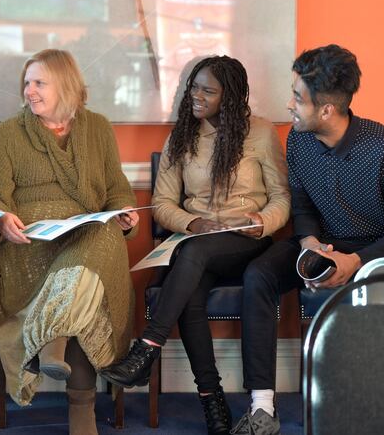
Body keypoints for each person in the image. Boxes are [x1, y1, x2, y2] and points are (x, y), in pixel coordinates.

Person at [232, 44, 384, 434]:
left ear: (326, 110)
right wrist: (309, 243)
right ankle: (263, 408)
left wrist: (356, 261)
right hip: (322, 244)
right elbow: (302, 206)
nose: (289, 105)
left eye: (297, 98)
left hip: (377, 249)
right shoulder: (299, 141)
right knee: (259, 274)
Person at [99, 56, 290, 435]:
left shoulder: (261, 133)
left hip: (245, 243)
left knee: (192, 253)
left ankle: (147, 348)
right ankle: (212, 402)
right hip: (197, 242)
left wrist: (261, 222)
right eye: (193, 87)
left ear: (231, 96)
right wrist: (193, 222)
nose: (196, 96)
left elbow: (281, 196)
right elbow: (163, 203)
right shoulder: (182, 136)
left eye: (207, 90)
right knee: (191, 282)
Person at [0, 49, 139, 435]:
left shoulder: (97, 127)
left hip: (86, 236)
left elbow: (116, 190)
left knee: (102, 236)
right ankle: (80, 408)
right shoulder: (11, 133)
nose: (29, 91)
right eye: (26, 83)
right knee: (87, 284)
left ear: (65, 85)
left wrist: (124, 212)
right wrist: (0, 217)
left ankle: (54, 339)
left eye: (39, 83)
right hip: (29, 248)